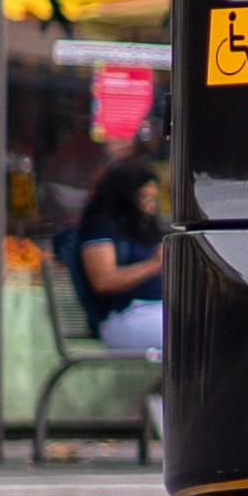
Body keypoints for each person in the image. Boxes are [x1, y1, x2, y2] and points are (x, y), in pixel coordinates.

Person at [68, 154, 169, 360]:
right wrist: (153, 265)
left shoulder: (143, 229)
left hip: (156, 311)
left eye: (153, 199)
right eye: (143, 198)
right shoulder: (102, 229)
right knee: (193, 335)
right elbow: (103, 280)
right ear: (125, 197)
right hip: (124, 317)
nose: (150, 206)